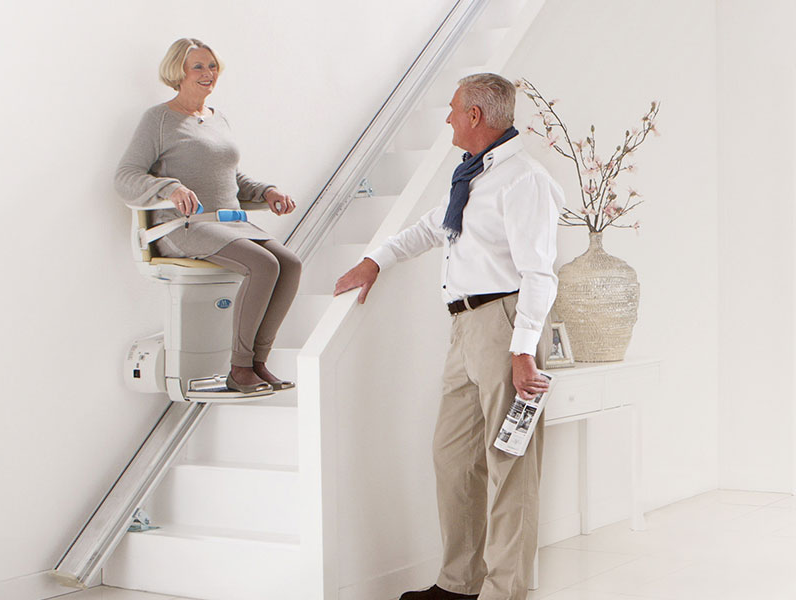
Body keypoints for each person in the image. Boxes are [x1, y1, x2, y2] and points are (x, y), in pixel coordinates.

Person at [335, 73, 564, 600]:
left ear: (476, 116)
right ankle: (459, 584)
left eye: (453, 109)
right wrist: (375, 260)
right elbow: (431, 227)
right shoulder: (474, 176)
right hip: (464, 327)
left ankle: (507, 592)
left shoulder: (522, 179)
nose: (448, 118)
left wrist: (524, 349)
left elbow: (540, 273)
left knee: (510, 462)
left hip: (506, 325)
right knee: (453, 456)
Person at [115, 38, 301, 393]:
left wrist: (267, 192)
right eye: (198, 66)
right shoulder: (158, 119)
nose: (208, 73)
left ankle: (258, 362)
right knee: (264, 265)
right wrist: (170, 188)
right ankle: (239, 368)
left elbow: (232, 177)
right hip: (184, 226)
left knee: (289, 264)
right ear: (177, 72)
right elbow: (125, 176)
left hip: (231, 224)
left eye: (212, 65)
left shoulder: (218, 119)